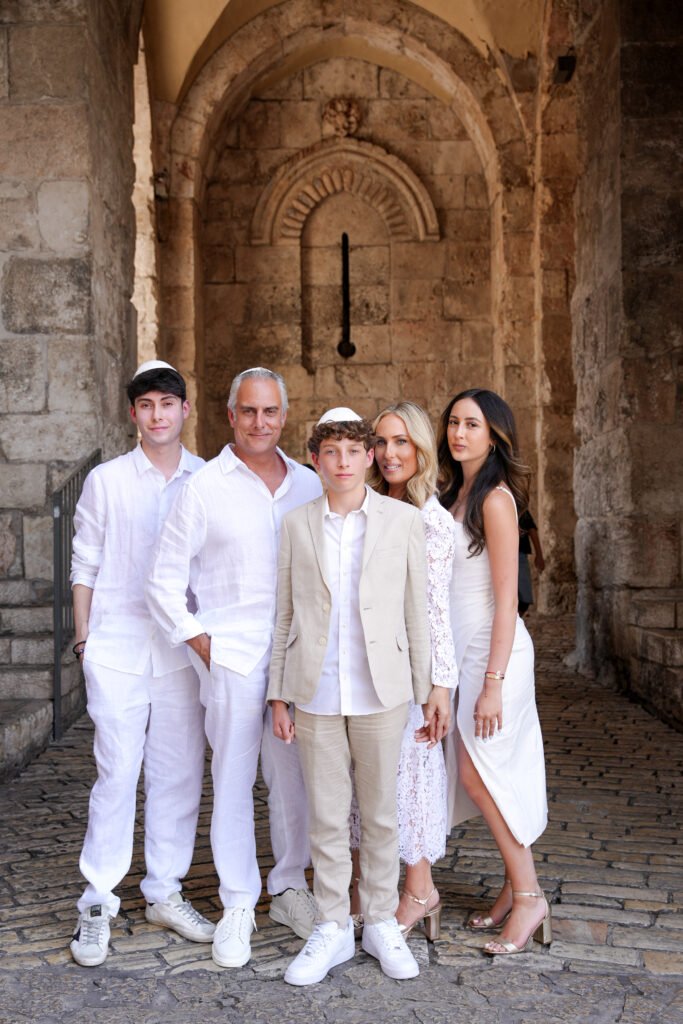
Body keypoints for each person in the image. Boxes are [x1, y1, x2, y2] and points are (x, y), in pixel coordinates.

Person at [146, 367, 321, 970]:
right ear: (229, 416)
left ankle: (290, 887)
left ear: (284, 416)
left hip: (296, 660)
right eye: (248, 411)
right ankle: (239, 901)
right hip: (233, 659)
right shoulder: (204, 487)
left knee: (293, 776)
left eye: (270, 412)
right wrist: (205, 647)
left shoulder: (308, 484)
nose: (259, 422)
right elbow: (164, 581)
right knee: (234, 779)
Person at [268, 407, 447, 987]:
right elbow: (285, 613)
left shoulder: (401, 522)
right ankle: (331, 926)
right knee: (325, 815)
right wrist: (277, 693)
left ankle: (379, 921)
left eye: (353, 452)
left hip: (383, 688)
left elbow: (416, 612)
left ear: (369, 457)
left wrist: (424, 691)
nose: (342, 463)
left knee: (379, 813)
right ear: (315, 461)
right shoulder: (297, 523)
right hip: (315, 690)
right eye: (330, 453)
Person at [69, 360, 212, 968]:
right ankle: (97, 900)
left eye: (168, 404)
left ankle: (164, 891)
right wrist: (83, 642)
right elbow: (86, 563)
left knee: (178, 773)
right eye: (147, 405)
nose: (158, 415)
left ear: (185, 410)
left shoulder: (207, 478)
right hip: (118, 648)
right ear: (134, 413)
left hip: (181, 652)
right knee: (117, 771)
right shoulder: (106, 480)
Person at [438, 388, 551, 956]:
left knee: (481, 775)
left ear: (494, 434)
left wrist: (493, 684)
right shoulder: (455, 492)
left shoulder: (496, 500)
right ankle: (513, 884)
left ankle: (530, 895)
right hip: (464, 655)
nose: (460, 434)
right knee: (478, 772)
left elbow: (507, 599)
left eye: (473, 425)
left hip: (494, 655)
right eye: (454, 423)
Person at [349, 401, 456, 940]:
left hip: (411, 675)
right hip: (366, 666)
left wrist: (440, 686)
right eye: (383, 443)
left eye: (402, 443)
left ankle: (420, 889)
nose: (391, 454)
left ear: (421, 450)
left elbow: (437, 611)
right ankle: (366, 886)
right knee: (367, 777)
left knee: (409, 777)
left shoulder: (429, 519)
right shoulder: (366, 506)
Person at [518, 509, 545, 617]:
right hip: (500, 554)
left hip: (519, 554)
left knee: (524, 599)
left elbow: (531, 529)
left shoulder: (519, 504)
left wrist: (539, 555)